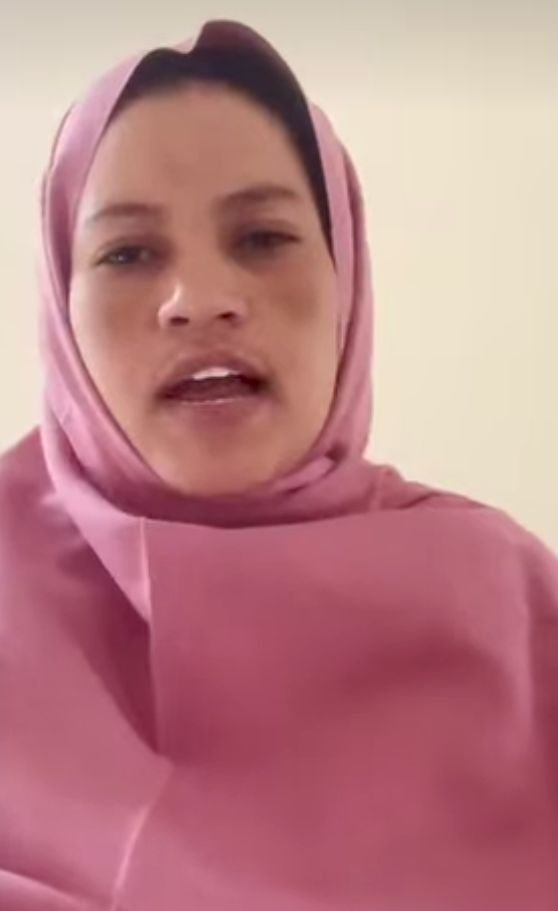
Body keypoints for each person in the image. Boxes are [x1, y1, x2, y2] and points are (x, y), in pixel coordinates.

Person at [1, 18, 557, 911]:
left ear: (347, 279)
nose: (199, 299)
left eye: (262, 237)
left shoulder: (514, 614)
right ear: (60, 312)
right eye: (128, 253)